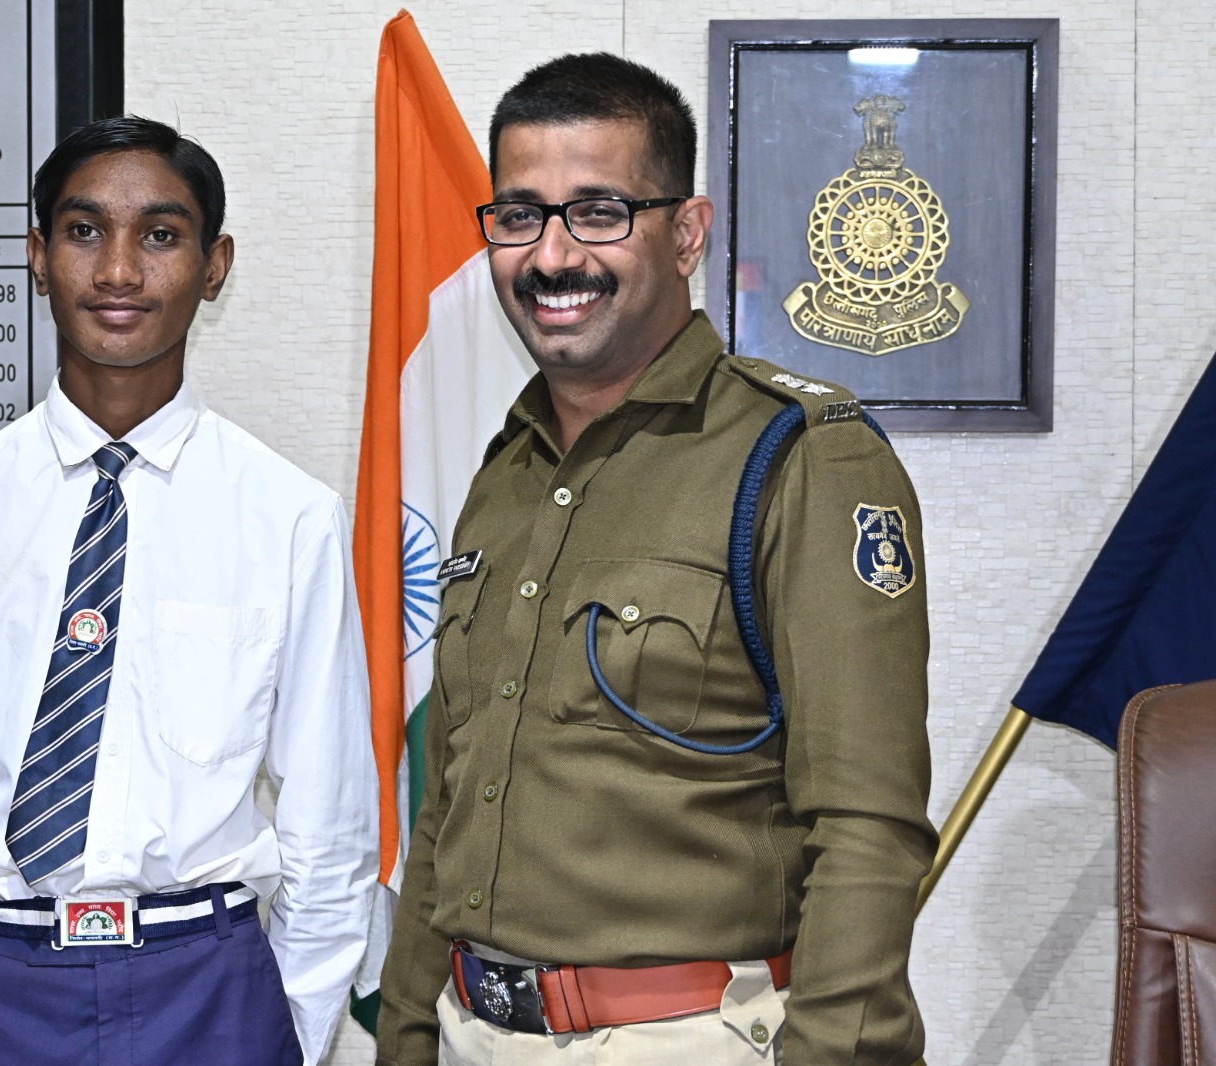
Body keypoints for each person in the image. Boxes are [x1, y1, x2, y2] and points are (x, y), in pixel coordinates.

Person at [376, 54, 935, 1065]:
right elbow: (453, 801)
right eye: (518, 215)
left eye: (598, 212)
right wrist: (408, 1032)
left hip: (684, 1038)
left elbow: (866, 826)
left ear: (685, 232)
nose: (550, 255)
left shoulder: (799, 457)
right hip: (472, 1031)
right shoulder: (505, 472)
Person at [0, 116, 378, 1066]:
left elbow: (329, 815)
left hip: (213, 985)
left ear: (214, 264)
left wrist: (290, 1024)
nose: (117, 271)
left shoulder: (289, 517)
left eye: (159, 234)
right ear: (36, 254)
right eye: (83, 230)